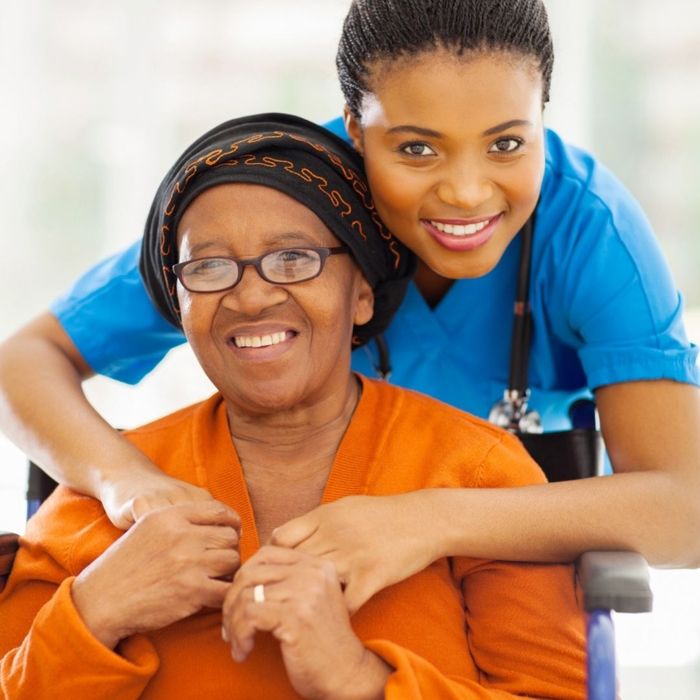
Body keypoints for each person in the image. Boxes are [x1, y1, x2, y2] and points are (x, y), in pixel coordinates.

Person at [0, 0, 698, 613]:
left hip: (472, 607)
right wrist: (126, 482)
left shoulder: (587, 229)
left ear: (544, 117)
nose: (465, 191)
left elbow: (686, 510)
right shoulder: (284, 198)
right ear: (354, 132)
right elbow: (25, 362)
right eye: (416, 148)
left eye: (507, 143)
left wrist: (427, 521)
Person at [0, 113, 586, 699]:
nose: (251, 296)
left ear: (360, 293)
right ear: (179, 306)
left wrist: (356, 678)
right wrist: (95, 613)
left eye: (293, 259)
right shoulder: (97, 504)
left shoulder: (479, 474)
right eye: (207, 267)